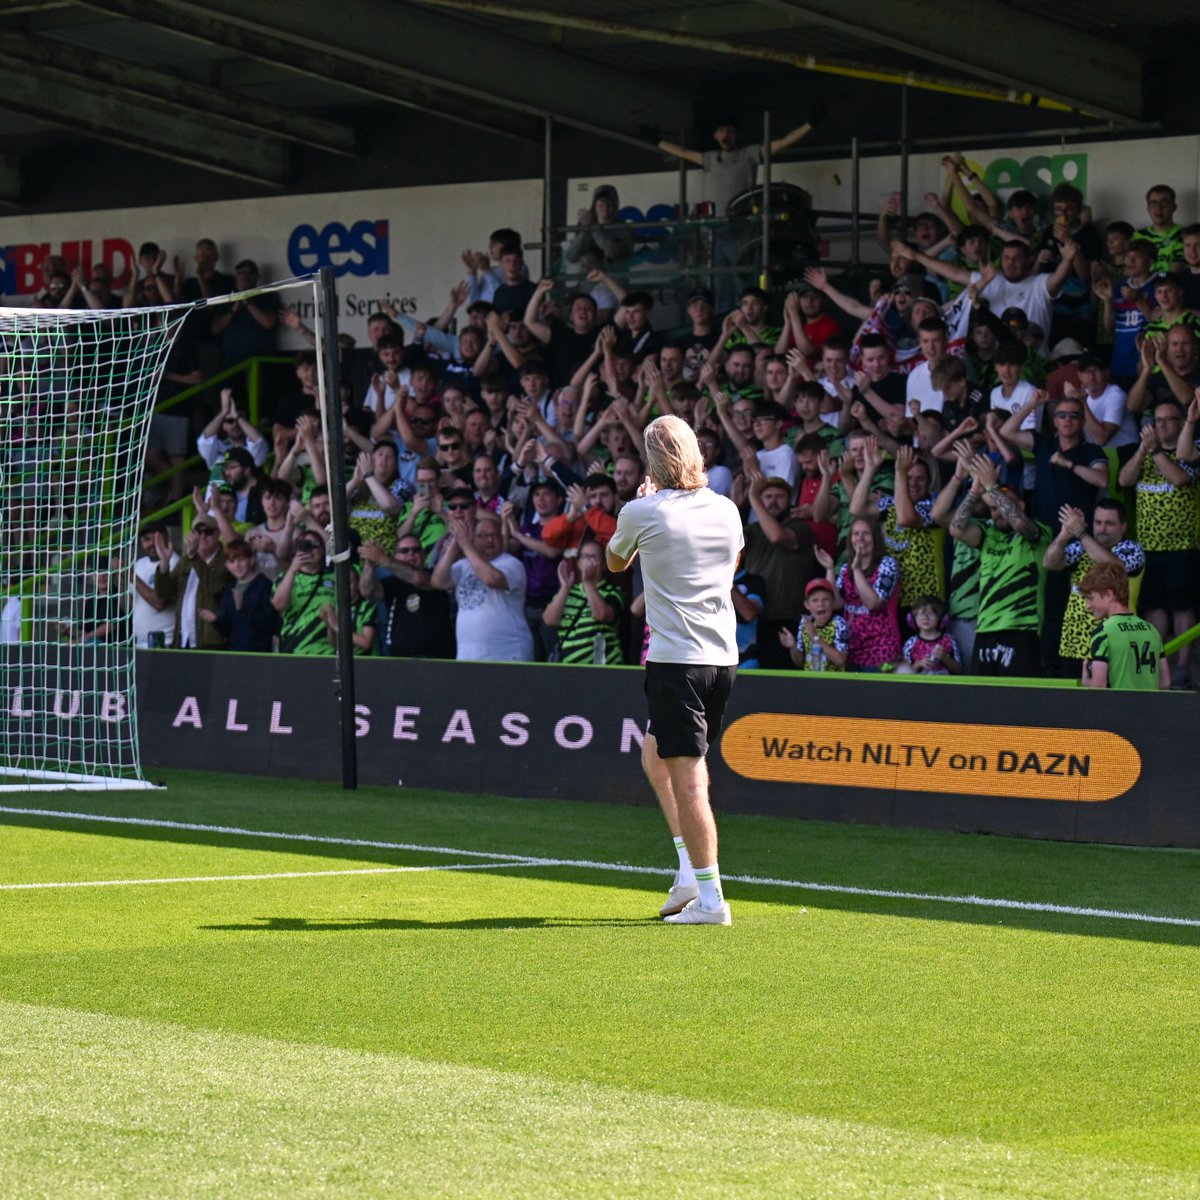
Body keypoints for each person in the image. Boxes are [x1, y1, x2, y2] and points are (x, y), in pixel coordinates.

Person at [606, 415, 743, 926]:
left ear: (651, 461)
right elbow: (730, 565)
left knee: (689, 780)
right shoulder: (727, 509)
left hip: (676, 662)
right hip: (722, 660)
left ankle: (711, 901)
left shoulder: (642, 510)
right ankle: (689, 870)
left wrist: (646, 512)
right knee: (654, 758)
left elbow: (616, 564)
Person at [431, 509, 534, 662]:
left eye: (494, 535)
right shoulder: (464, 564)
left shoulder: (511, 563)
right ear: (474, 540)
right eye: (483, 536)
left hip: (507, 653)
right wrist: (453, 550)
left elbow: (492, 580)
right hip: (469, 655)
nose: (490, 540)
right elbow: (438, 582)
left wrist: (466, 546)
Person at [1080, 561, 1169, 690]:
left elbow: (1098, 687)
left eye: (1090, 598)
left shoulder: (1103, 633)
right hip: (1150, 708)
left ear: (1109, 595)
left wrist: (1088, 683)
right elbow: (1165, 682)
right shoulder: (1151, 630)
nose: (1087, 606)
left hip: (1118, 708)